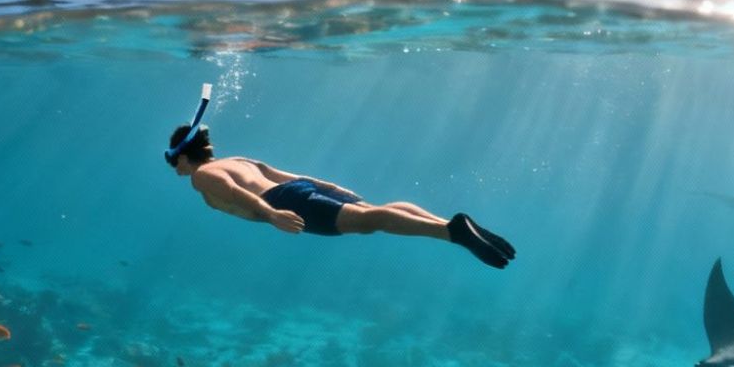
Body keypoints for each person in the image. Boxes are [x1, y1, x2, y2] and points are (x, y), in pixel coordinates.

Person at [166, 124, 517, 269]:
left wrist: (271, 214)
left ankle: (451, 233)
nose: (174, 168)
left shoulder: (202, 175)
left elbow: (235, 193)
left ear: (183, 154)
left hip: (284, 202)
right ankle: (447, 223)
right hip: (298, 191)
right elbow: (291, 176)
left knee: (368, 222)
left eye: (172, 161)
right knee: (376, 211)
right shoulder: (236, 159)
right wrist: (332, 188)